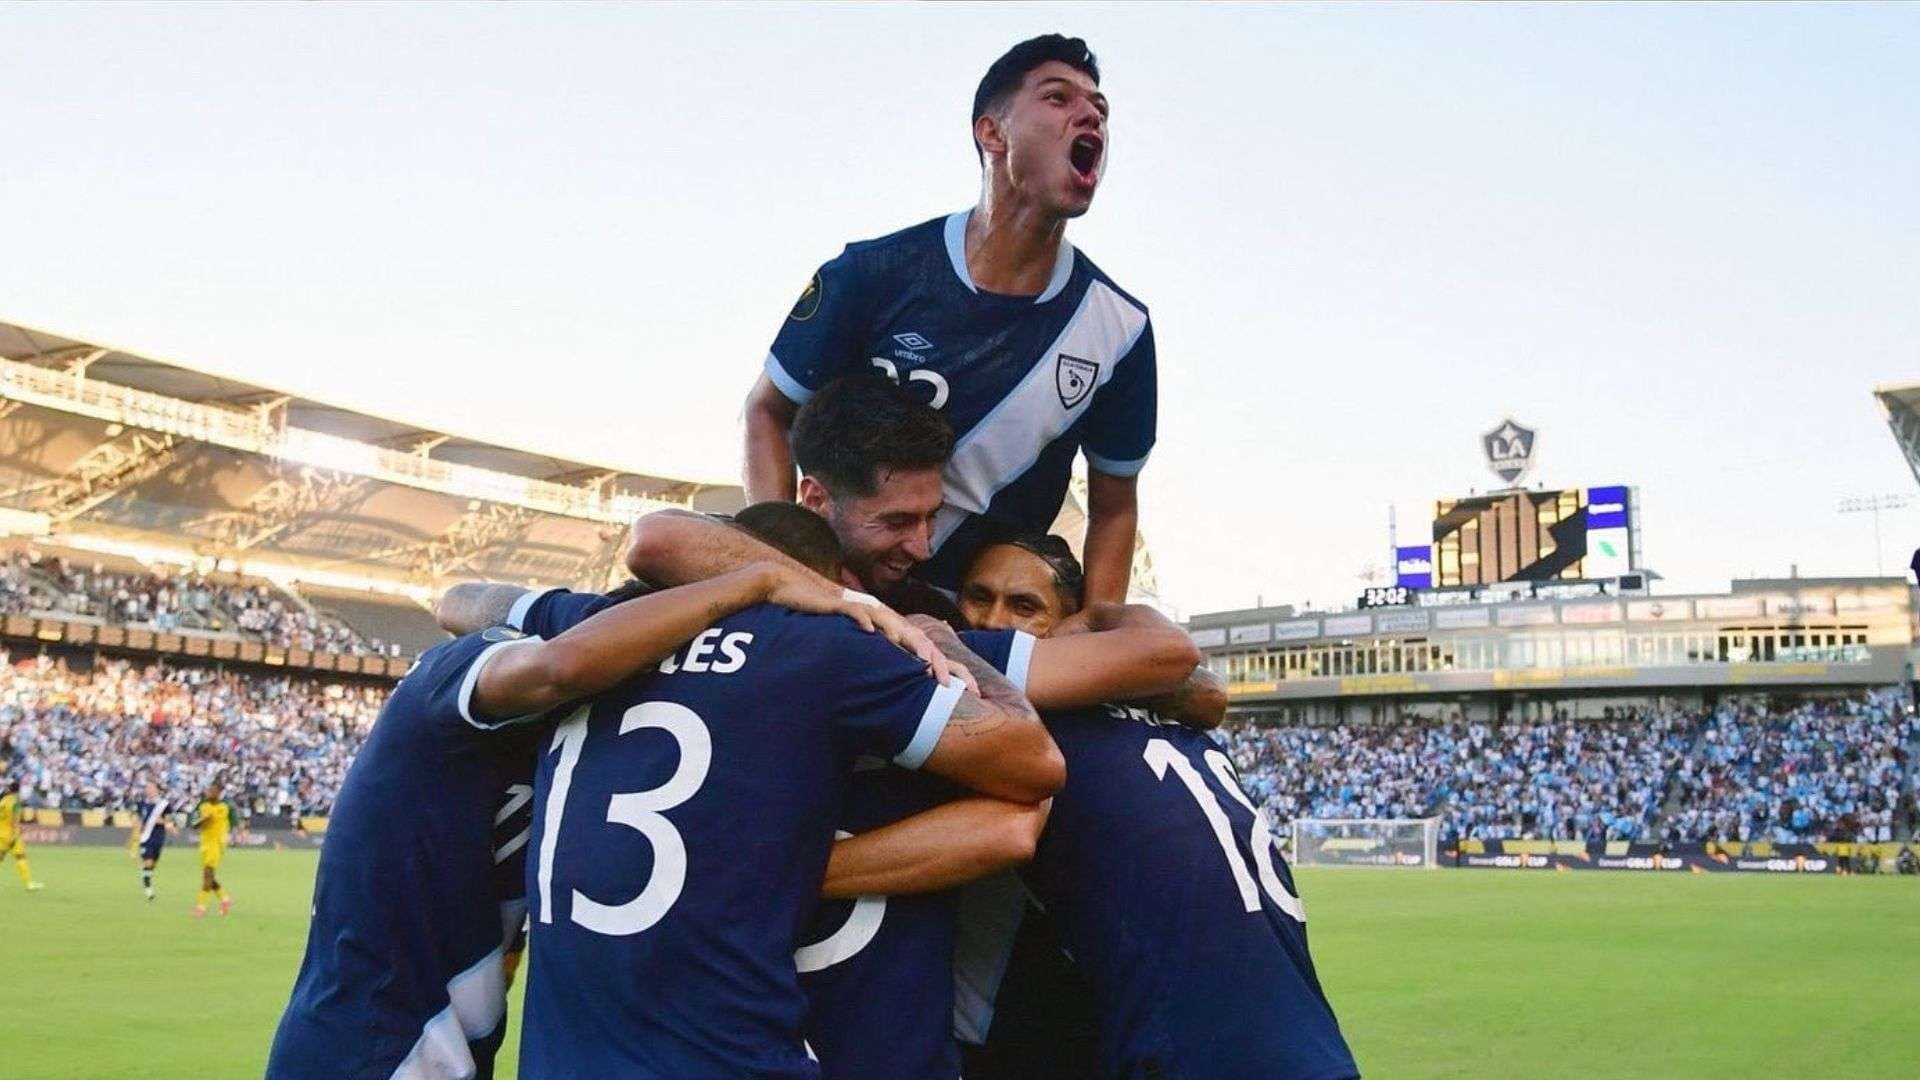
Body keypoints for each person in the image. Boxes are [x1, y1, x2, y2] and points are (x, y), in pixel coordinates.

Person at [268, 563, 895, 1080]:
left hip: (441, 1041)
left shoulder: (583, 747)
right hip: (369, 1041)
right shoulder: (456, 677)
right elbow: (529, 644)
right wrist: (757, 581)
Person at [516, 574, 1063, 1076]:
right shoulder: (833, 660)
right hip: (774, 1047)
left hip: (604, 1044)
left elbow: (471, 601)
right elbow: (1029, 794)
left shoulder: (604, 642)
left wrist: (778, 872)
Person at [743, 33, 1156, 603]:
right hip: (847, 596)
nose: (1090, 114)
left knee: (1183, 673)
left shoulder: (1119, 329)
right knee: (663, 540)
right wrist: (789, 561)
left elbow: (1114, 507)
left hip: (984, 615)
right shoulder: (873, 273)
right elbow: (767, 410)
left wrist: (1095, 622)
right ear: (991, 132)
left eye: (1100, 109)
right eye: (1058, 99)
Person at [958, 536, 1359, 1080]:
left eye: (1024, 608)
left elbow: (1003, 836)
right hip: (1314, 1049)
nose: (994, 623)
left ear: (1071, 628)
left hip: (1198, 1060)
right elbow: (1208, 694)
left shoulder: (1038, 730)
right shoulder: (1182, 728)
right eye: (977, 597)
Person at [190, 781, 234, 917]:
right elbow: (196, 824)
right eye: (209, 791)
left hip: (216, 845)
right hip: (205, 844)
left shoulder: (223, 807)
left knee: (207, 876)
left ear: (219, 793)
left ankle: (201, 907)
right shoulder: (203, 805)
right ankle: (225, 899)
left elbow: (207, 821)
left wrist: (204, 819)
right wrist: (201, 820)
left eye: (213, 791)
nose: (210, 793)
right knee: (209, 876)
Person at [128, 781, 172, 902]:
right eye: (147, 788)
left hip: (159, 837)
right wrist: (135, 821)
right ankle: (148, 889)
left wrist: (162, 821)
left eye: (151, 787)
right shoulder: (141, 803)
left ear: (157, 790)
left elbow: (169, 821)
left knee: (152, 865)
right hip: (145, 838)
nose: (148, 790)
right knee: (148, 862)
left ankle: (146, 876)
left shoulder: (165, 805)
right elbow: (134, 815)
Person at [0, 779, 43, 892]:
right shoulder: (15, 803)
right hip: (11, 835)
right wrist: (14, 836)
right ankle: (29, 884)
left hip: (1, 833)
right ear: (18, 790)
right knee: (20, 857)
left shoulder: (3, 800)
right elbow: (14, 821)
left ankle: (29, 884)